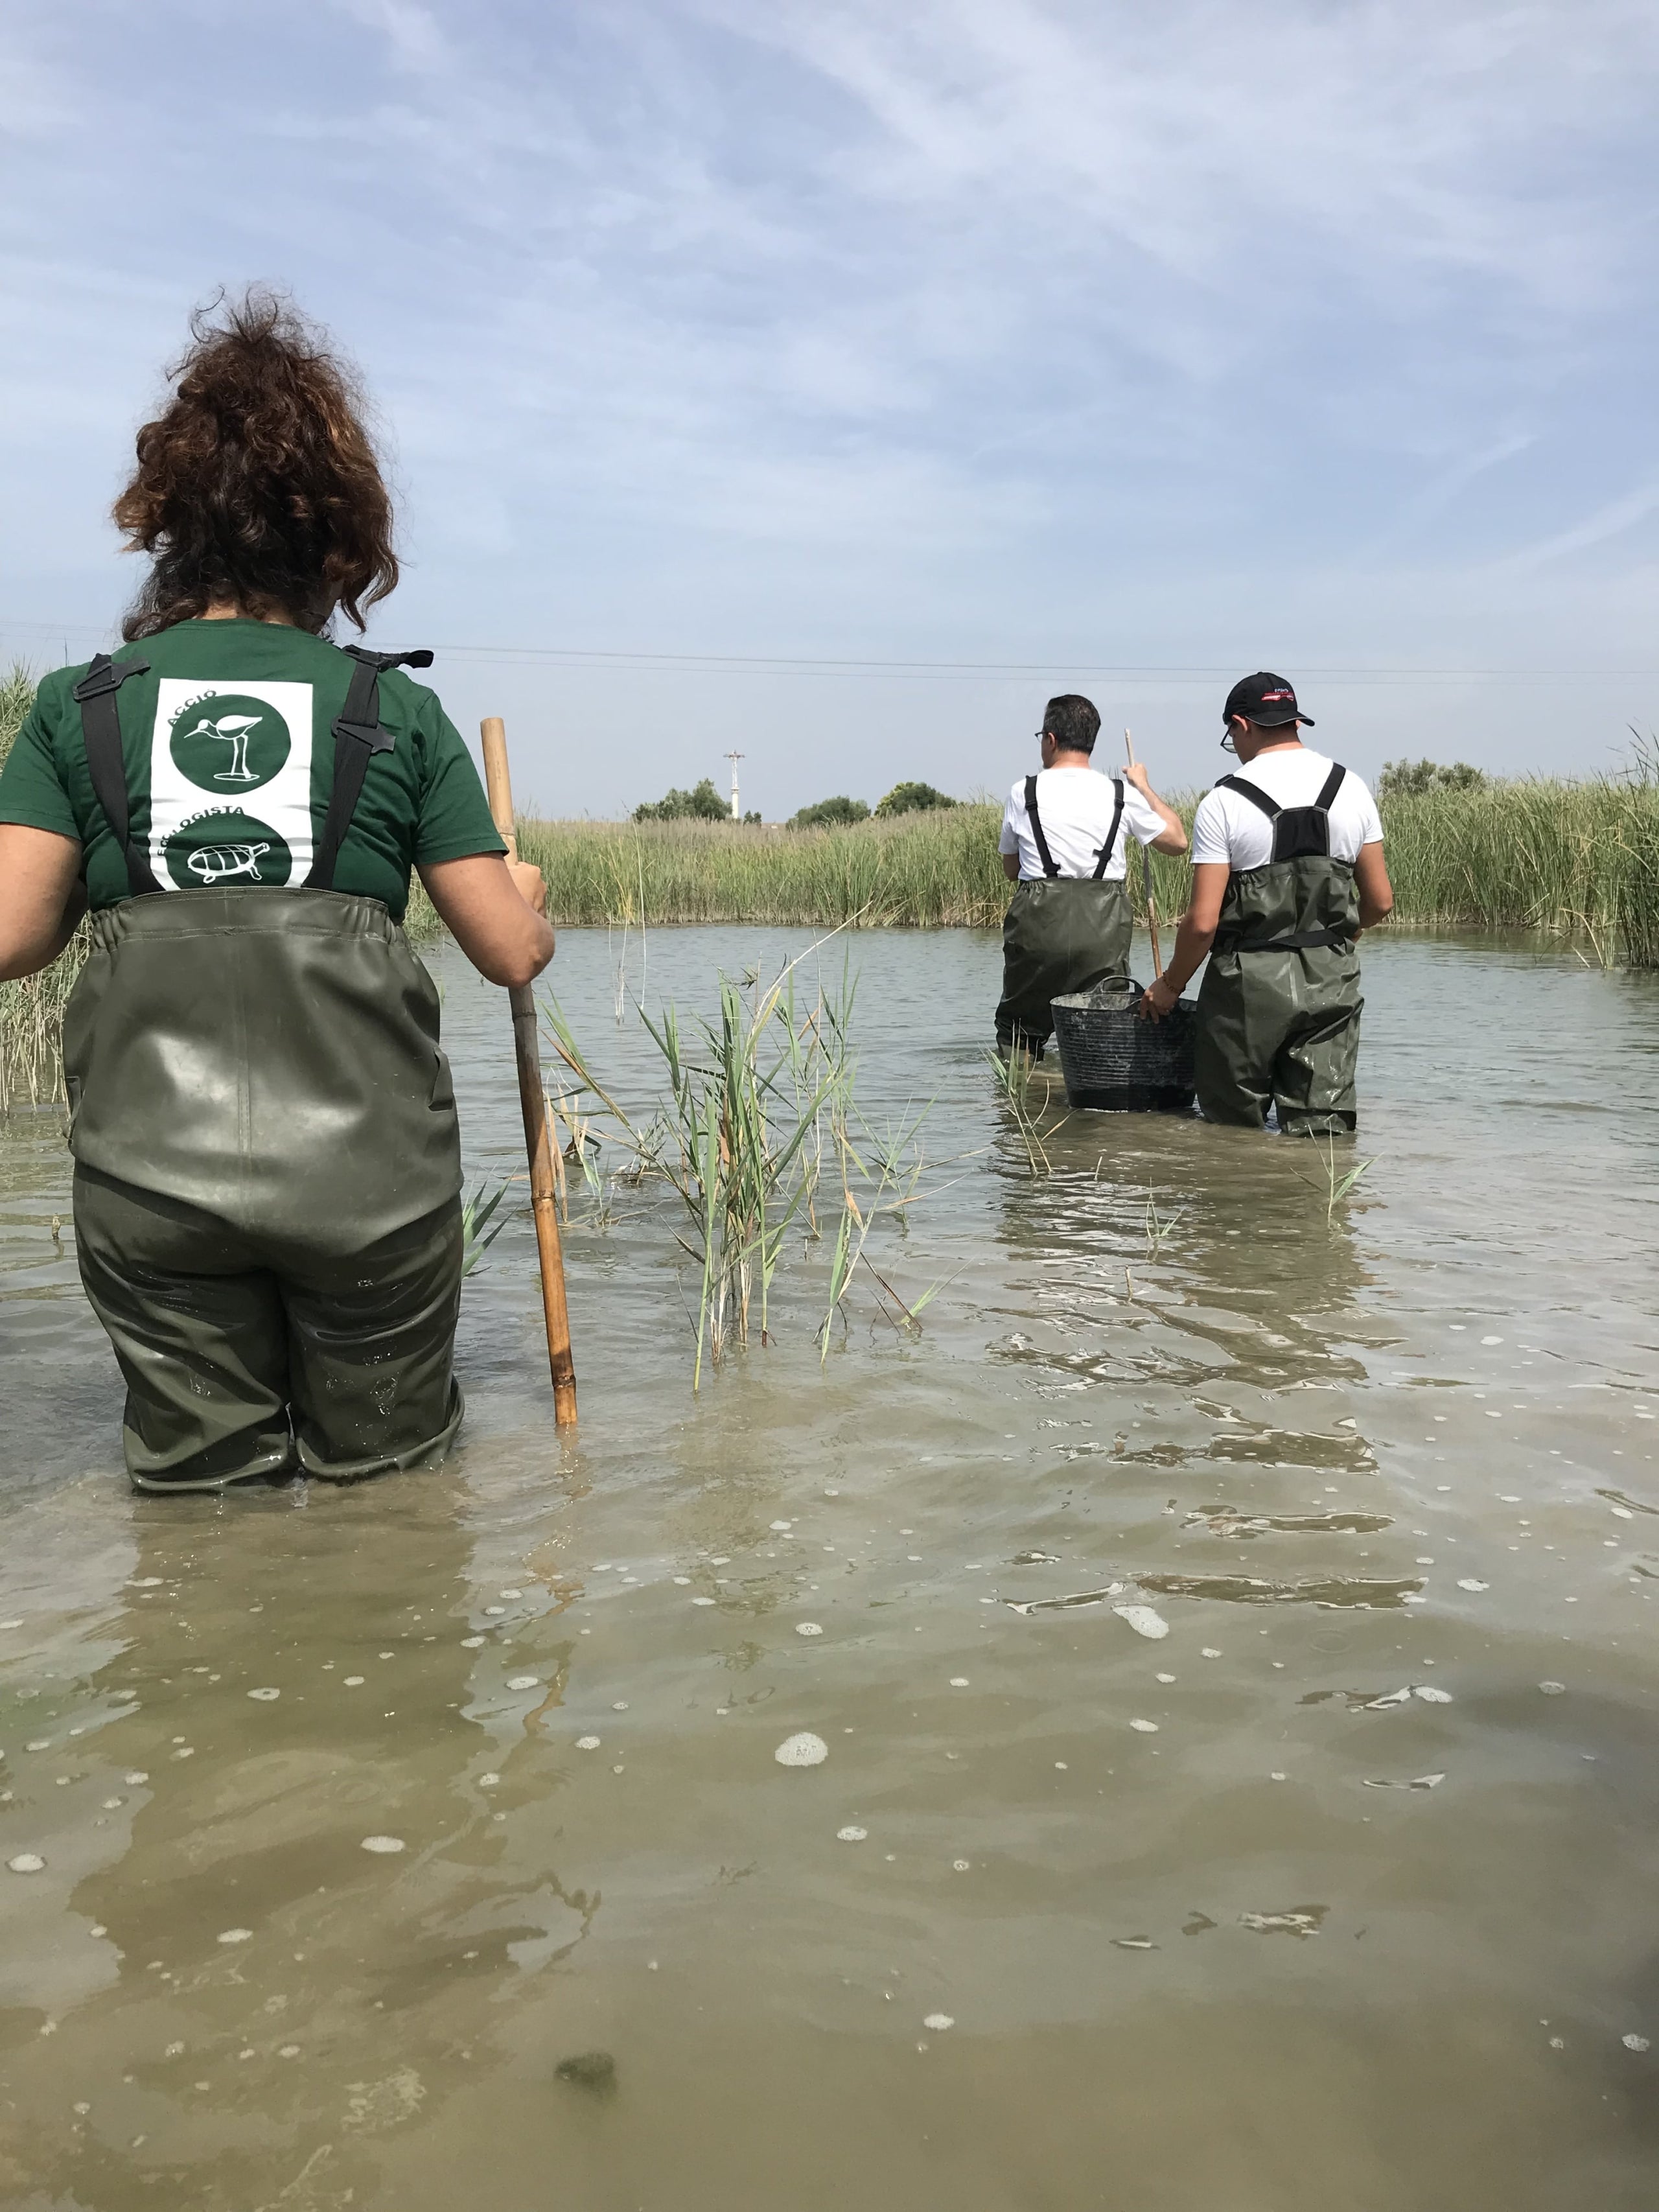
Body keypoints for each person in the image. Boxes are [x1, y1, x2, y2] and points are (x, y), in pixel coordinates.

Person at [0, 290, 554, 1492]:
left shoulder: (76, 708)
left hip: (149, 1188)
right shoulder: (390, 709)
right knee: (395, 1505)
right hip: (372, 1194)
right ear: (339, 533)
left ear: (172, 520)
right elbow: (509, 950)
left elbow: (10, 934)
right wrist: (524, 887)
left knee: (196, 1515)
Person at [1139, 671, 1393, 1134]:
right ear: (1295, 721)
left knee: (1230, 1133)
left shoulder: (1224, 801)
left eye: (1230, 735)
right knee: (1324, 1131)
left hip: (1246, 990)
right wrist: (1341, 940)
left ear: (1241, 724)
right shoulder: (1351, 787)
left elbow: (1202, 924)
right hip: (1331, 981)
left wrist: (1170, 985)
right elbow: (1380, 900)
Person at [995, 693, 1187, 1056]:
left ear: (1050, 739)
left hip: (1039, 926)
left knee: (1019, 1032)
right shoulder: (1120, 793)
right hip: (1103, 928)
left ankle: (1020, 1105)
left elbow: (1011, 870)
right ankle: (1098, 1104)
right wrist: (1143, 786)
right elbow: (1177, 841)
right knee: (1101, 1030)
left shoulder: (1024, 792)